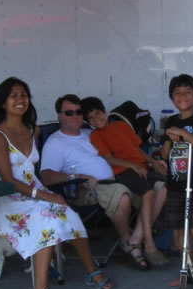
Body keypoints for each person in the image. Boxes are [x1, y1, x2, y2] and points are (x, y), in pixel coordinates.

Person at [0, 77, 115, 289]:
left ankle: (91, 271)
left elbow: (34, 171)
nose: (20, 100)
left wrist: (45, 195)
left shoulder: (32, 129)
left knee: (69, 215)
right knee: (48, 219)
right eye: (13, 95)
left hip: (34, 191)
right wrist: (44, 195)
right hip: (8, 196)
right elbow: (7, 181)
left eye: (24, 95)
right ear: (3, 102)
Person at [40, 94, 150, 271]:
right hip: (87, 188)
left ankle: (137, 238)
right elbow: (46, 176)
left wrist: (146, 162)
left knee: (158, 189)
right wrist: (74, 177)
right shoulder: (55, 143)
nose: (75, 116)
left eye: (78, 112)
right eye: (69, 113)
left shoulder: (91, 133)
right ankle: (126, 242)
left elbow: (121, 152)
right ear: (59, 116)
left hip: (119, 178)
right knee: (122, 194)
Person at [81, 96, 170, 267]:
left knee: (166, 184)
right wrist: (134, 166)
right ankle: (150, 245)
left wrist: (153, 162)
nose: (96, 119)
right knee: (149, 192)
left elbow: (136, 150)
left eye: (98, 113)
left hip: (140, 166)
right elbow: (109, 159)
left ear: (104, 112)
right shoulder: (96, 135)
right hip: (123, 170)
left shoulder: (121, 126)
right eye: (90, 117)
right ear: (88, 122)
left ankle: (139, 237)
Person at [160, 74, 193, 284]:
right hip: (175, 182)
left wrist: (182, 133)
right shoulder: (171, 121)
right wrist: (169, 137)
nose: (182, 96)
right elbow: (165, 154)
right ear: (172, 97)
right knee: (180, 229)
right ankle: (187, 266)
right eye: (177, 93)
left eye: (187, 92)